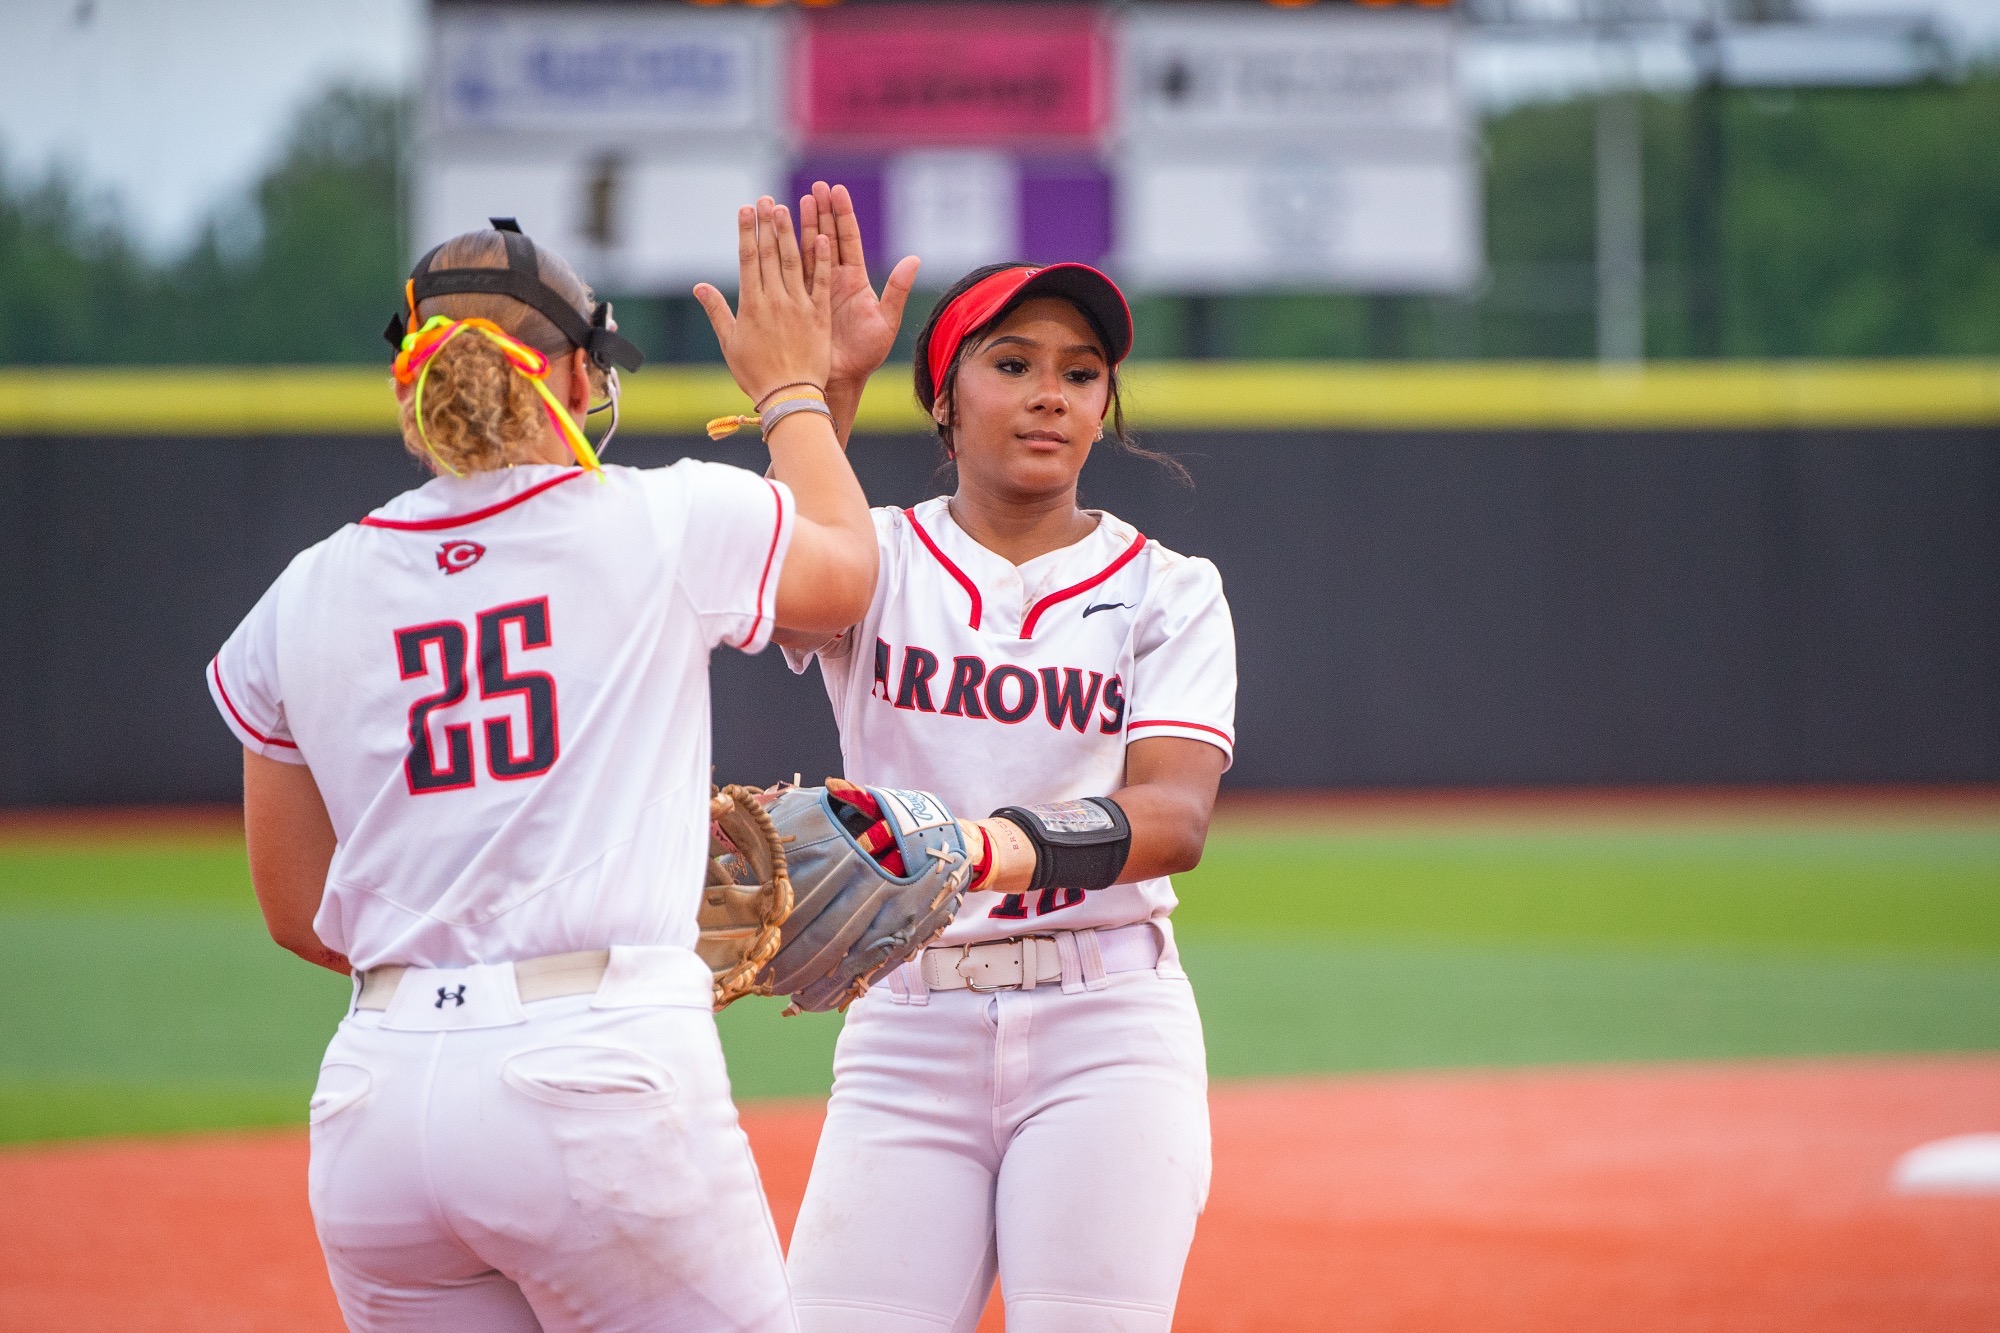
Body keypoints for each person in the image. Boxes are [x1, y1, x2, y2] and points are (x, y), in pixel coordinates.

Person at [206, 199, 874, 1332]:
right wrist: (795, 392)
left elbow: (297, 910)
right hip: (598, 1069)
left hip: (378, 1098)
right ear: (573, 373)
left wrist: (464, 966)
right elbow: (846, 576)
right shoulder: (663, 517)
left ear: (411, 384)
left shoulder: (304, 590)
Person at [777, 183, 1237, 1333]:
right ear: (942, 397)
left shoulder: (1168, 589)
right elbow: (777, 587)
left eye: (1080, 372)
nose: (1050, 394)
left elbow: (1172, 819)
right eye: (1012, 362)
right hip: (905, 1025)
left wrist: (974, 849)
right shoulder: (875, 558)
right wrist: (826, 393)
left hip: (1104, 1025)